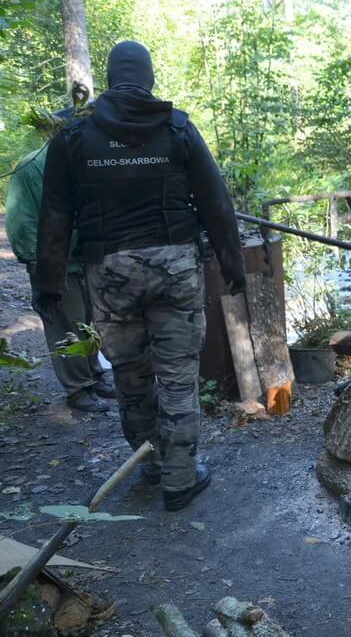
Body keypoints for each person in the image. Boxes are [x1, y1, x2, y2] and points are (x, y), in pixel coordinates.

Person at [34, 40, 246, 511]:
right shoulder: (177, 128)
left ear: (110, 78)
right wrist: (233, 267)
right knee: (177, 377)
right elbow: (216, 202)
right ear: (148, 77)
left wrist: (48, 284)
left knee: (131, 377)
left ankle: (150, 464)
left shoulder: (74, 136)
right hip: (174, 270)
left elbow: (54, 215)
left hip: (110, 275)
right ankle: (180, 479)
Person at [5, 102, 114, 414]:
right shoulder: (32, 166)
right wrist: (37, 264)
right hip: (53, 260)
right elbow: (21, 220)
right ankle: (77, 389)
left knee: (90, 319)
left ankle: (94, 376)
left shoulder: (83, 160)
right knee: (65, 322)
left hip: (85, 255)